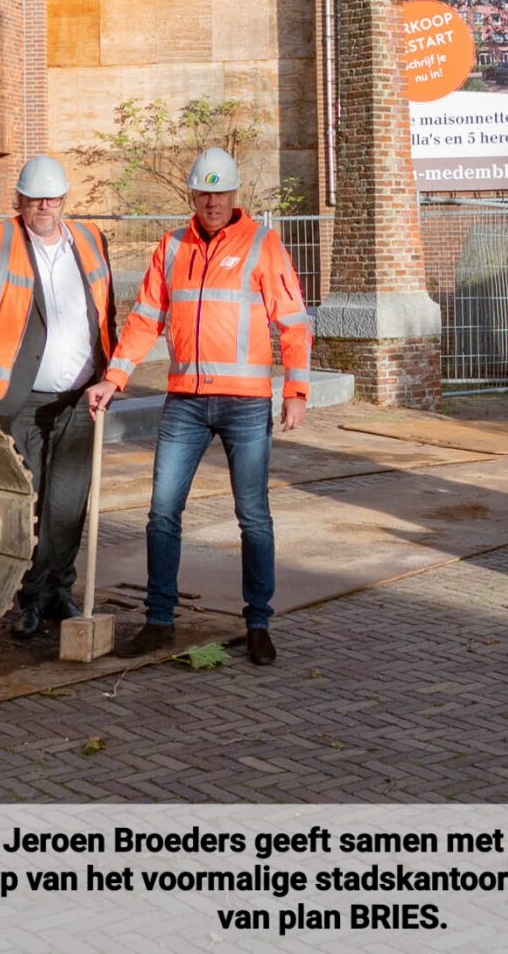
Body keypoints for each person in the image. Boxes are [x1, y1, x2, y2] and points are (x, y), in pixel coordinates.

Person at [88, 147, 310, 666]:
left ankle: (258, 623)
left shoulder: (263, 244)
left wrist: (295, 392)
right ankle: (159, 621)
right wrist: (114, 378)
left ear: (235, 196)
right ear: (193, 194)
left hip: (246, 405)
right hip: (185, 402)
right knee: (162, 513)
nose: (212, 201)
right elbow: (145, 320)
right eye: (204, 192)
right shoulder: (170, 247)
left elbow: (293, 324)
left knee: (253, 516)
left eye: (221, 192)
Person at [0, 154, 115, 643]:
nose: (44, 206)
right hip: (18, 396)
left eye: (52, 198)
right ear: (18, 200)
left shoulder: (89, 239)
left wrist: (112, 373)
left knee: (69, 501)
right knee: (30, 500)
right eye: (34, 198)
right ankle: (28, 597)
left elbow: (107, 306)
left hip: (81, 396)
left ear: (64, 199)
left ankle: (57, 590)